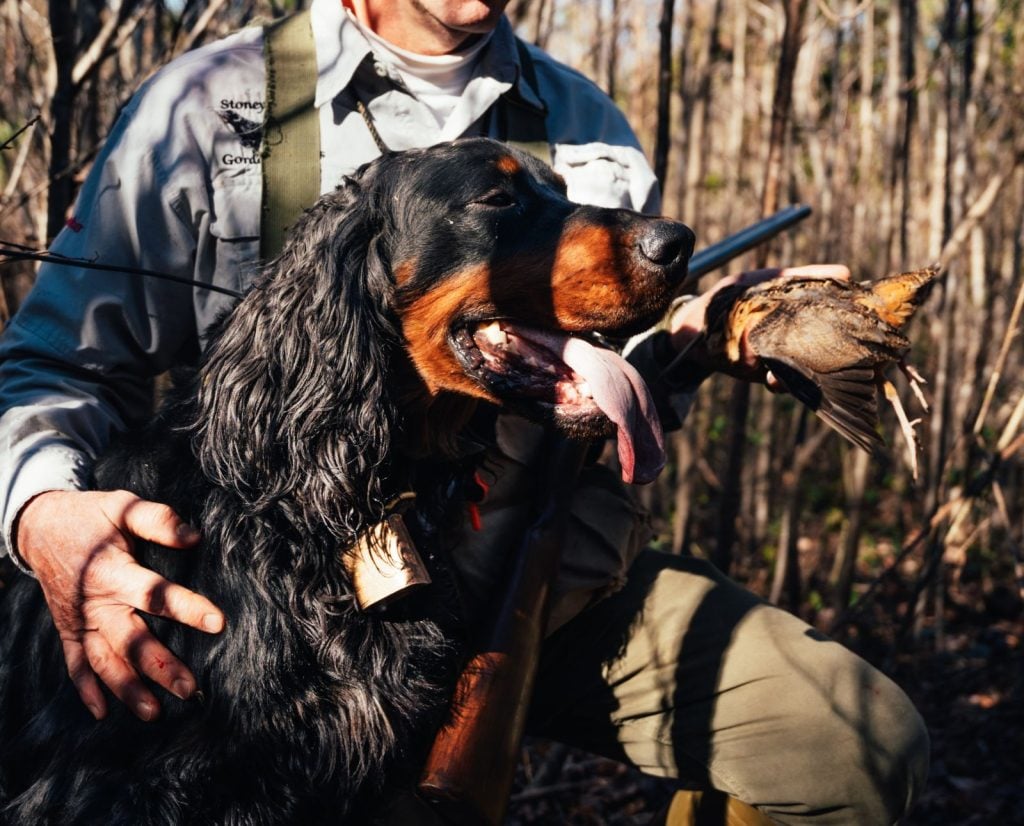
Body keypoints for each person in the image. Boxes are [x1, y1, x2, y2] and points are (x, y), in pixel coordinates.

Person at [0, 0, 929, 822]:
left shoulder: (585, 119)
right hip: (263, 586)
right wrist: (45, 516)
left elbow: (596, 361)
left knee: (853, 743)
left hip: (547, 570)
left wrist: (713, 329)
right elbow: (55, 360)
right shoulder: (211, 103)